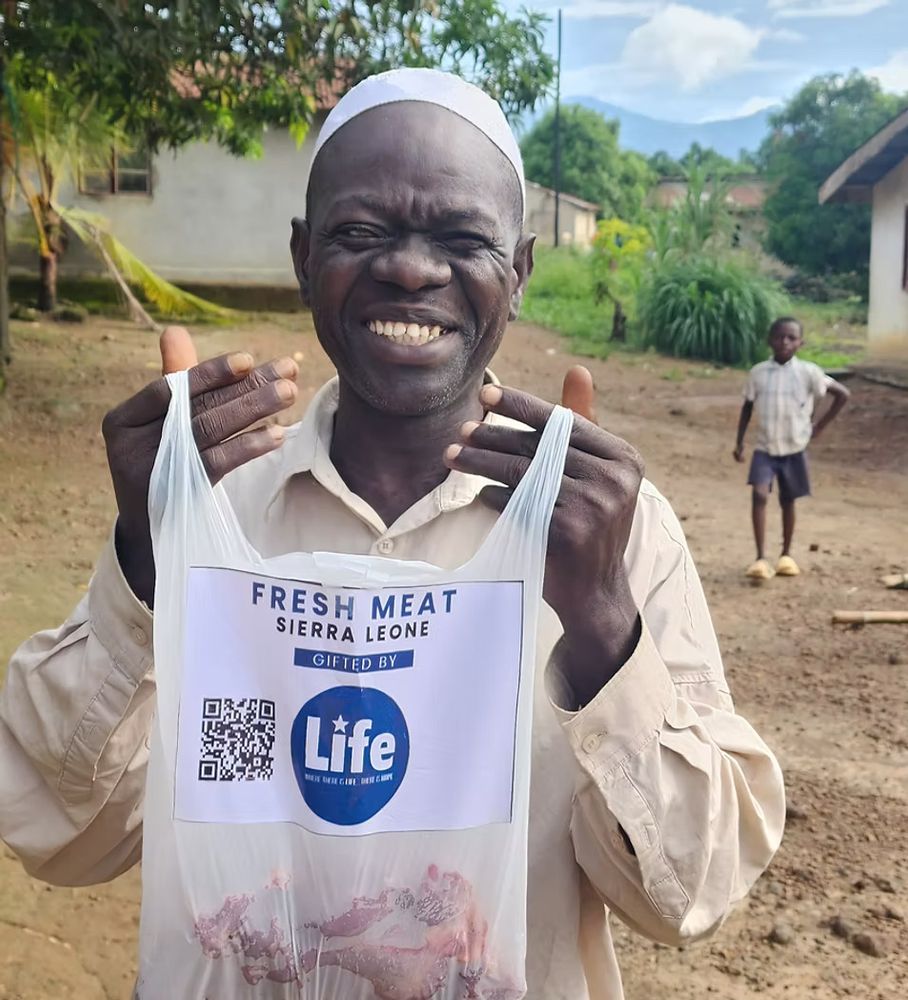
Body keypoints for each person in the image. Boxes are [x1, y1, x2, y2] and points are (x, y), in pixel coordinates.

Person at [0, 69, 785, 999]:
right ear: (302, 256)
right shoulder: (214, 514)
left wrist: (603, 618)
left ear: (521, 274)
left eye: (462, 240)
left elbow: (689, 897)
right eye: (362, 233)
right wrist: (146, 557)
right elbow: (58, 835)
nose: (411, 269)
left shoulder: (609, 530)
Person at [734, 316, 850, 581]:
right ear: (769, 340)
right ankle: (760, 558)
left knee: (788, 500)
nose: (784, 342)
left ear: (801, 342)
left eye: (791, 338)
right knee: (760, 496)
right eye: (779, 336)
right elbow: (747, 406)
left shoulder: (809, 372)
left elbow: (842, 394)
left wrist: (819, 427)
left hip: (794, 448)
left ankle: (786, 555)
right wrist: (739, 441)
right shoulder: (759, 373)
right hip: (765, 447)